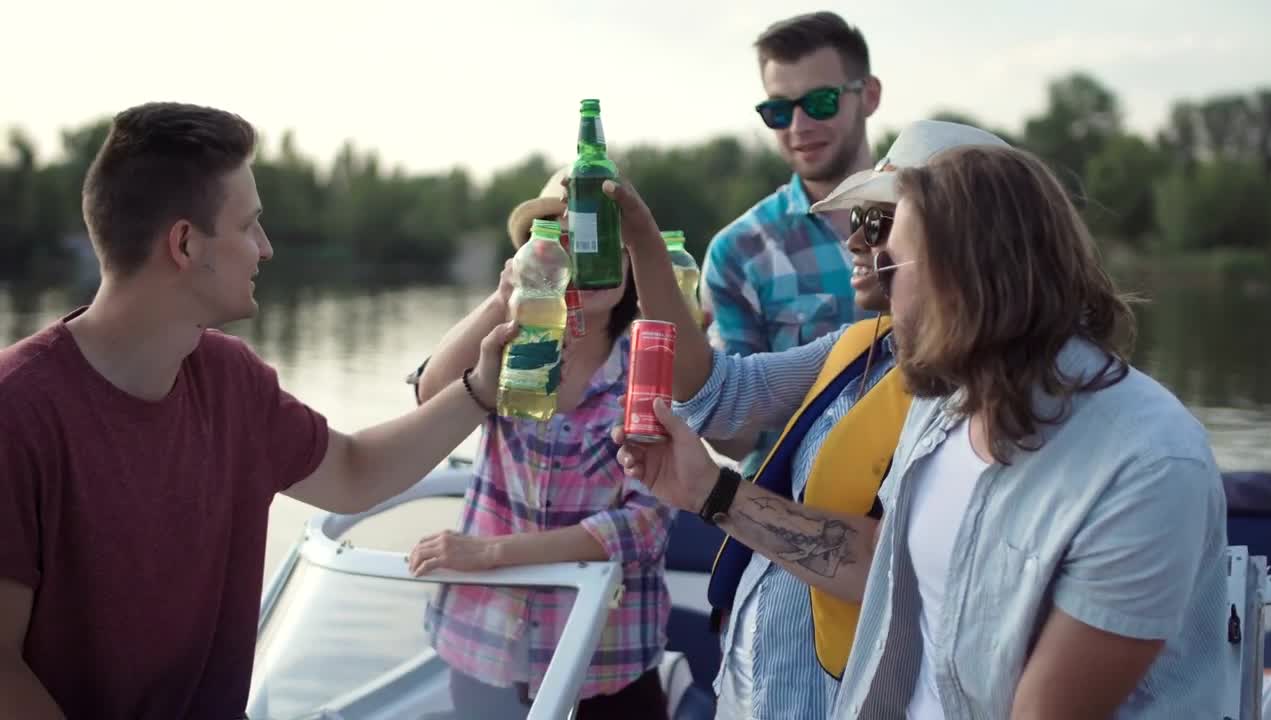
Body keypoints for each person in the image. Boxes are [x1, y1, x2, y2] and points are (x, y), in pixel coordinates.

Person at [616, 139, 1230, 717]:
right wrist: (705, 489)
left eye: (889, 249)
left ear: (966, 274)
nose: (866, 263)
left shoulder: (1145, 464)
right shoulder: (945, 407)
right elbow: (879, 569)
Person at [0, 102, 515, 720]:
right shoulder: (17, 412)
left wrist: (481, 389)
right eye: (250, 226)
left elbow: (354, 472)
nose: (266, 249)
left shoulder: (231, 380)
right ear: (186, 244)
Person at [607, 121, 1005, 719]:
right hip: (763, 688)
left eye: (878, 222)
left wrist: (710, 493)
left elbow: (890, 567)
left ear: (955, 239)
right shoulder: (862, 346)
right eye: (858, 220)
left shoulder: (990, 401)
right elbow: (720, 392)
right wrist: (642, 245)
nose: (854, 240)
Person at [405, 172, 674, 719]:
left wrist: (492, 553)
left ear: (632, 263)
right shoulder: (509, 347)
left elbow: (643, 525)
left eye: (607, 245)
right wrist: (503, 297)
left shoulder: (652, 365)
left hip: (609, 658)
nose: (591, 259)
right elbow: (431, 399)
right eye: (570, 243)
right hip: (485, 646)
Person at [699, 11, 882, 479]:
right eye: (778, 111)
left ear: (870, 96)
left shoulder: (941, 220)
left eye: (819, 102)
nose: (798, 125)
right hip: (798, 513)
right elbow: (735, 437)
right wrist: (690, 370)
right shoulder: (738, 252)